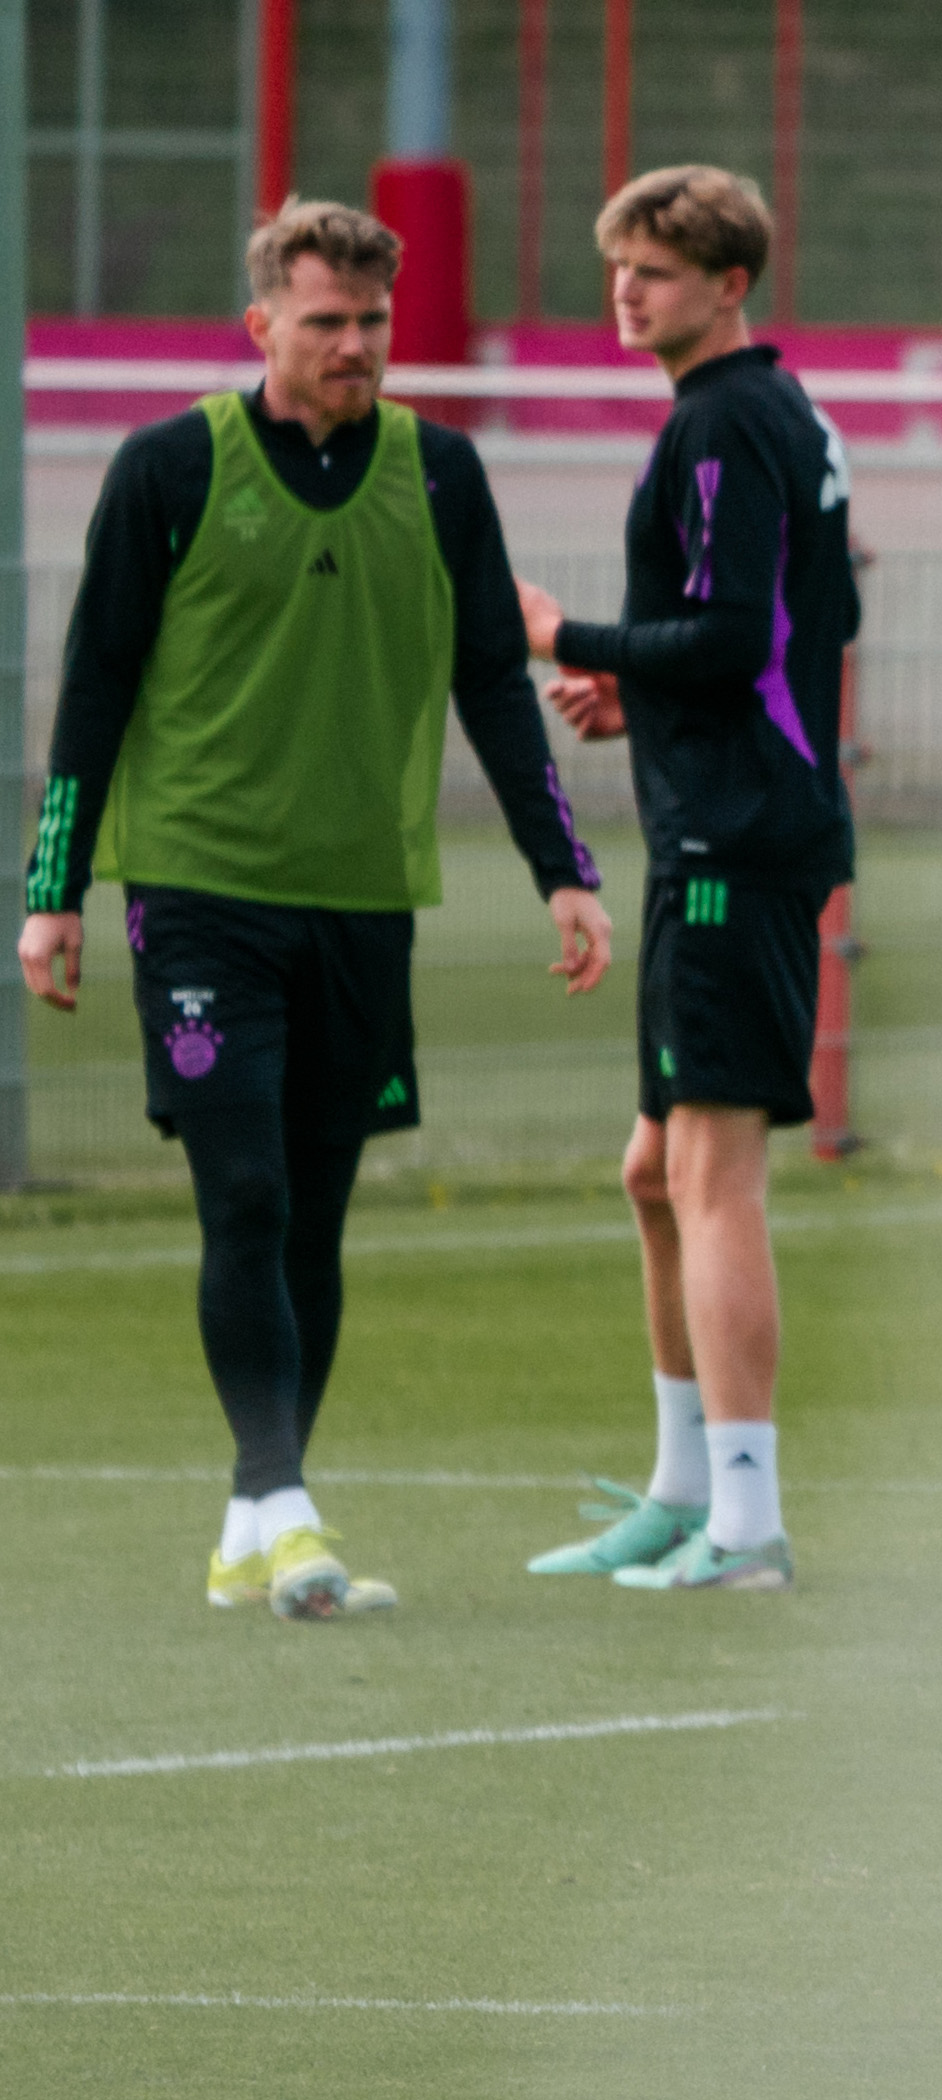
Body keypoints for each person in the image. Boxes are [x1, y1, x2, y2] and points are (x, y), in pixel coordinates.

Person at [15, 200, 613, 1618]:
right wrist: (52, 893)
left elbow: (488, 682)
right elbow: (95, 683)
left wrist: (564, 866)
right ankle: (287, 1506)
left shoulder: (443, 472)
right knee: (246, 1188)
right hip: (200, 890)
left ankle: (250, 1510)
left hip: (363, 896)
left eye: (374, 323)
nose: (356, 345)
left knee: (315, 1221)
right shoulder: (170, 467)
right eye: (327, 320)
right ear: (261, 327)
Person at [513, 165, 857, 1594]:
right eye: (619, 266)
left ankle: (751, 1525)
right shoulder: (758, 411)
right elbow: (766, 634)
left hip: (739, 838)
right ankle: (678, 1488)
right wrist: (636, 694)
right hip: (720, 817)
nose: (626, 290)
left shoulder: (725, 420)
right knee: (654, 1169)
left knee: (713, 1178)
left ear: (728, 284)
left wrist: (565, 633)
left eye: (655, 268)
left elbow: (728, 631)